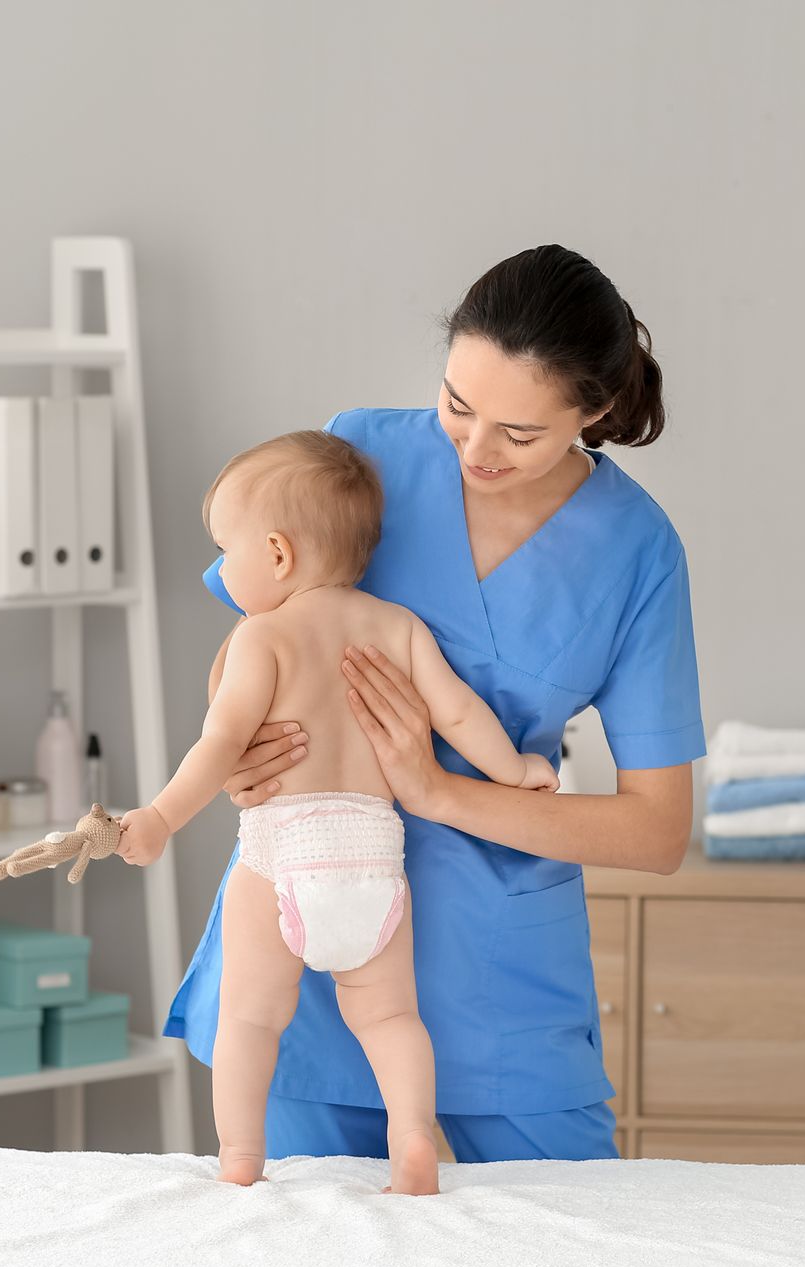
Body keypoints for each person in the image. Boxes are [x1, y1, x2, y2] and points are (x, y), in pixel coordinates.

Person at [164, 244, 703, 1164]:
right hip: (304, 962)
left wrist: (440, 792)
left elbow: (657, 833)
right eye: (457, 405)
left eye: (520, 434)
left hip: (501, 992)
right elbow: (248, 634)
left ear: (594, 412)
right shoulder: (359, 454)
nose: (474, 450)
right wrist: (237, 750)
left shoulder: (637, 551)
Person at [113, 431, 556, 1193]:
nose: (222, 568)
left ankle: (241, 1159)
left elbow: (221, 743)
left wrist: (158, 818)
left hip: (284, 856)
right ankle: (414, 1142)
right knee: (390, 1021)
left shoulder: (264, 636)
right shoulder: (395, 627)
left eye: (228, 549)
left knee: (250, 1020)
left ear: (278, 555)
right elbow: (458, 712)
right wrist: (515, 769)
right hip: (375, 863)